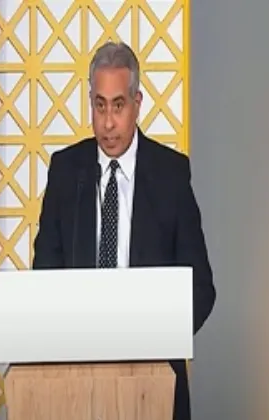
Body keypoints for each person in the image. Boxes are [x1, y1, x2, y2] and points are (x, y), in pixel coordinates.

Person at [32, 41, 216, 420]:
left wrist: (157, 340)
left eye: (118, 106)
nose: (108, 123)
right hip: (77, 382)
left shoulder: (171, 174)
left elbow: (201, 288)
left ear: (137, 103)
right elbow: (45, 278)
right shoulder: (66, 172)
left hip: (153, 380)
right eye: (99, 106)